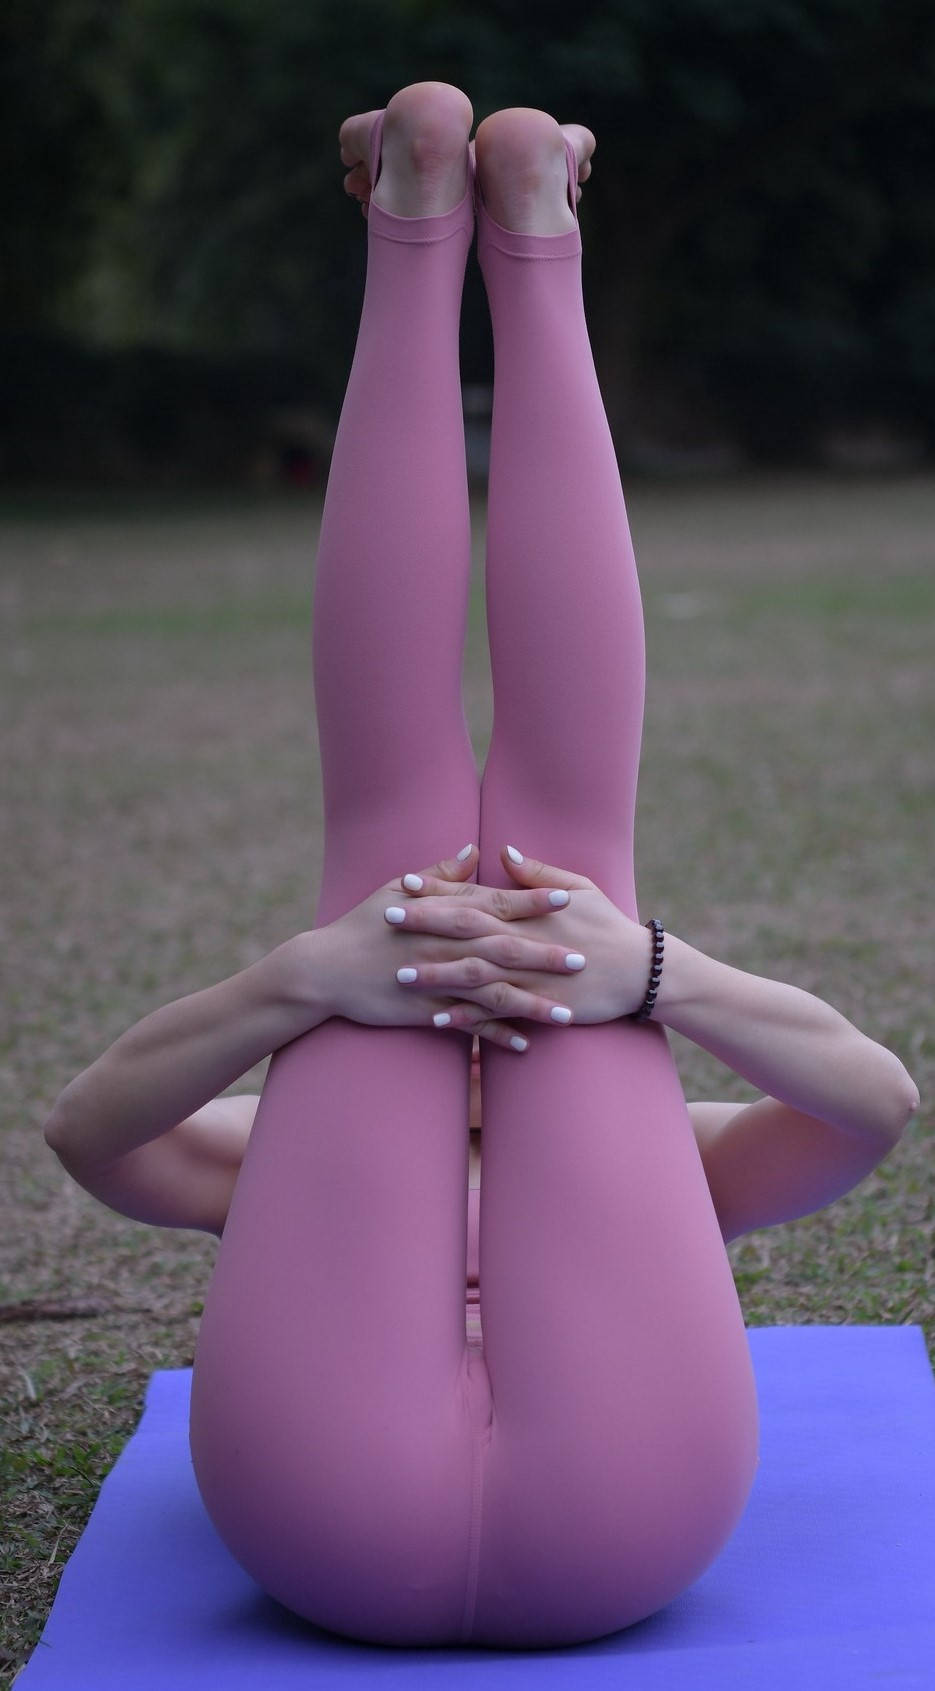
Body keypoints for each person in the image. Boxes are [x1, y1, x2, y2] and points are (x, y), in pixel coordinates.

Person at [44, 83, 919, 1650]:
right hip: (618, 1514)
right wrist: (621, 977)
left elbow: (875, 1107)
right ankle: (516, 225)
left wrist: (341, 980)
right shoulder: (655, 1160)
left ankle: (429, 214)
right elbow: (88, 1138)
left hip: (346, 1515)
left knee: (411, 854)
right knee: (541, 865)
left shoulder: (278, 1160)